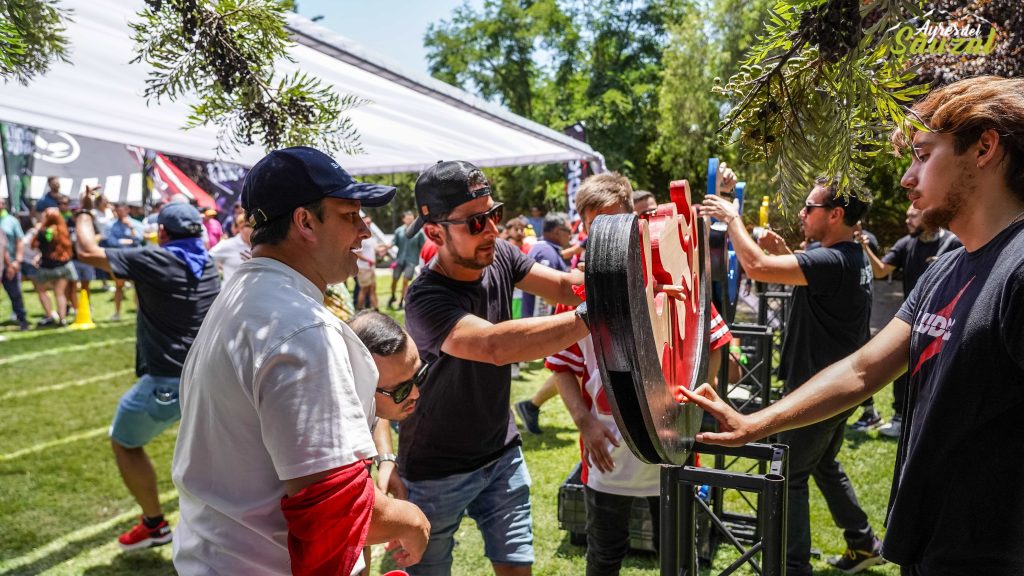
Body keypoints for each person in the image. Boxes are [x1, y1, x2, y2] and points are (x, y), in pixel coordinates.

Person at [687, 75, 1024, 576]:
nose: (908, 178)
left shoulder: (1018, 270)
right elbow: (864, 370)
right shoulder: (947, 270)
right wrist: (755, 423)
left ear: (984, 149)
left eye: (922, 155)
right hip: (930, 548)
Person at [171, 147, 429, 576]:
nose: (365, 231)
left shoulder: (242, 296)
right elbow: (332, 508)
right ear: (305, 222)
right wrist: (413, 521)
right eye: (350, 215)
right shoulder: (303, 328)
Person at [398, 160, 590, 576]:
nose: (492, 230)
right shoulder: (424, 298)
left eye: (494, 214)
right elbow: (495, 345)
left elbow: (560, 285)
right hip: (436, 469)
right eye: (475, 222)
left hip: (500, 453)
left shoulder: (499, 253)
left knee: (518, 570)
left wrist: (614, 281)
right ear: (434, 232)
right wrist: (598, 315)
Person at [547, 172, 733, 575]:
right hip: (607, 455)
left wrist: (697, 400)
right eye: (596, 227)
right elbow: (562, 367)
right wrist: (585, 425)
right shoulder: (574, 291)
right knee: (604, 554)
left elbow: (710, 339)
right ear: (583, 225)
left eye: (614, 223)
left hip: (671, 451)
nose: (606, 237)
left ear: (633, 221)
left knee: (679, 553)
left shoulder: (666, 271)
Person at [701, 176, 880, 575]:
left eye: (809, 207)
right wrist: (785, 251)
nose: (802, 212)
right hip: (837, 390)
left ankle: (792, 567)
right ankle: (863, 541)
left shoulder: (832, 260)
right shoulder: (847, 257)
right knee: (822, 464)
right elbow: (806, 278)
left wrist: (733, 218)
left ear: (835, 215)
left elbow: (757, 267)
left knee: (789, 477)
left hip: (818, 392)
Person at [73, 189, 220, 551]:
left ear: (163, 234)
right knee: (211, 459)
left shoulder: (159, 260)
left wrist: (84, 212)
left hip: (168, 380)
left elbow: (87, 251)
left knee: (125, 442)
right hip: (209, 379)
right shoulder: (208, 263)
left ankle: (154, 525)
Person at [857, 205, 961, 438]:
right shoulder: (906, 243)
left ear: (927, 216)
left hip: (946, 319)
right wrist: (864, 246)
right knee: (902, 369)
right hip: (914, 317)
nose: (908, 220)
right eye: (906, 216)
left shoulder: (953, 243)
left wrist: (945, 265)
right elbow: (882, 271)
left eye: (913, 216)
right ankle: (898, 418)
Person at [513, 211, 573, 434]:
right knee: (569, 369)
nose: (571, 234)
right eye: (568, 230)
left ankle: (530, 407)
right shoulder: (545, 250)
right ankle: (530, 407)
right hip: (546, 323)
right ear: (558, 232)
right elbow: (546, 294)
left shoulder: (547, 249)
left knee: (571, 369)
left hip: (550, 323)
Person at [32, 207, 77, 326]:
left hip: (46, 267)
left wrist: (38, 230)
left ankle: (49, 315)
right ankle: (62, 319)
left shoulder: (44, 231)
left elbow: (33, 244)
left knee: (41, 291)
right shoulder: (63, 230)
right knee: (60, 293)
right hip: (62, 266)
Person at [104, 202, 146, 321]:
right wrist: (127, 241)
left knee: (137, 286)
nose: (119, 212)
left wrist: (130, 227)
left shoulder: (136, 224)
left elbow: (139, 239)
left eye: (121, 210)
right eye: (117, 210)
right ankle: (117, 313)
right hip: (119, 259)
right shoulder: (110, 225)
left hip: (135, 259)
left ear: (127, 210)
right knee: (118, 286)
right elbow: (111, 242)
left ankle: (139, 313)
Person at [0, 196, 29, 330]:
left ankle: (22, 319)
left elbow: (19, 241)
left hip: (10, 264)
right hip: (5, 264)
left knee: (15, 293)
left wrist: (17, 261)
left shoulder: (11, 221)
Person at [388, 210, 426, 309]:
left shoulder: (419, 232)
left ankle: (401, 301)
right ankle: (392, 296)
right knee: (394, 280)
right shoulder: (398, 231)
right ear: (403, 219)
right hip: (399, 260)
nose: (410, 220)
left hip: (411, 261)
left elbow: (424, 247)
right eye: (407, 218)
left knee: (405, 281)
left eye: (411, 218)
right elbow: (392, 243)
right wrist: (383, 248)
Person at [208, 211, 252, 283]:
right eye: (247, 226)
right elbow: (208, 259)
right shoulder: (228, 244)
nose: (252, 229)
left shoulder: (263, 246)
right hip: (232, 292)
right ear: (240, 229)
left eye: (254, 226)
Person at [356, 214, 379, 310]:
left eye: (370, 222)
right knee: (364, 290)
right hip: (363, 268)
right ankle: (359, 309)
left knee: (373, 289)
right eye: (367, 222)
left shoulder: (371, 235)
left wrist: (386, 248)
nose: (369, 224)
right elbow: (357, 253)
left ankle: (377, 310)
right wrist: (368, 260)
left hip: (371, 267)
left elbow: (376, 249)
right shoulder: (360, 235)